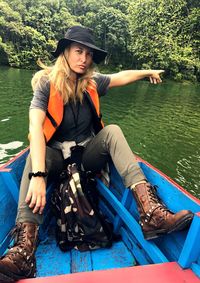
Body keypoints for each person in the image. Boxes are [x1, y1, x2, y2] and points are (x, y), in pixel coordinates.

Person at [0, 25, 193, 282]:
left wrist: (147, 72)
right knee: (39, 155)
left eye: (89, 54)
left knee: (112, 130)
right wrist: (37, 175)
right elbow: (35, 127)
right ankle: (24, 252)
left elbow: (121, 76)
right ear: (65, 53)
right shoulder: (46, 84)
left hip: (87, 159)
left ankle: (151, 215)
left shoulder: (91, 83)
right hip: (56, 159)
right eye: (79, 51)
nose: (84, 59)